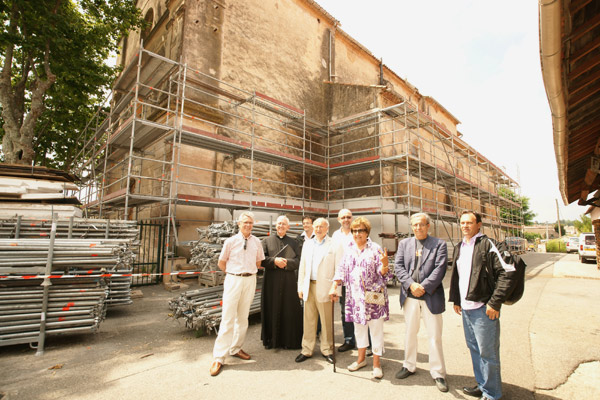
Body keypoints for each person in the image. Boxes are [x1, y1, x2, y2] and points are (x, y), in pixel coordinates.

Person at [450, 211, 512, 400]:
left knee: (488, 352)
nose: (465, 226)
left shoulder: (488, 244)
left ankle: (492, 394)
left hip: (484, 308)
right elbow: (458, 276)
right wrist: (457, 300)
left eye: (469, 222)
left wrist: (495, 302)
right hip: (467, 309)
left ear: (479, 225)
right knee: (475, 349)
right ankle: (482, 385)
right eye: (462, 223)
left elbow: (507, 272)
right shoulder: (460, 246)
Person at [329, 217, 391, 379]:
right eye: (355, 231)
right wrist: (334, 286)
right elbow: (341, 270)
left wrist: (384, 265)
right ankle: (361, 359)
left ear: (367, 232)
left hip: (373, 296)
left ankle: (377, 364)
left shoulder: (375, 248)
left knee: (376, 330)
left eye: (361, 230)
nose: (357, 234)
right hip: (354, 297)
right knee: (359, 329)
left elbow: (383, 274)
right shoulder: (349, 249)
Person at [394, 213, 449, 392]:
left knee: (434, 336)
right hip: (410, 297)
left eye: (422, 225)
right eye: (415, 225)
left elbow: (440, 269)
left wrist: (423, 287)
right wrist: (411, 285)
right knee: (410, 333)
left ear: (428, 226)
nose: (418, 228)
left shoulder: (439, 244)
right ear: (411, 227)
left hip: (430, 296)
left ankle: (438, 372)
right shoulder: (404, 244)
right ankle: (408, 365)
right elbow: (398, 266)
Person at [210, 211, 265, 377]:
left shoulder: (257, 242)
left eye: (250, 223)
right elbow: (221, 263)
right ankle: (219, 357)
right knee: (228, 318)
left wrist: (246, 273)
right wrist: (234, 274)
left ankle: (236, 348)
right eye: (245, 222)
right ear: (239, 224)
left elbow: (258, 262)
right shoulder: (231, 241)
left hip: (250, 280)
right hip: (233, 280)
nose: (248, 225)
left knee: (243, 318)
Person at [295, 218, 342, 364]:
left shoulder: (334, 244)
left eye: (321, 226)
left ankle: (327, 349)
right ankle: (307, 349)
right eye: (316, 226)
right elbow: (302, 266)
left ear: (327, 228)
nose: (318, 229)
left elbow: (339, 269)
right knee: (308, 320)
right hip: (309, 286)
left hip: (326, 288)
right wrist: (300, 287)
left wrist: (337, 290)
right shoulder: (308, 244)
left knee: (327, 321)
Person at [261, 215, 303, 349]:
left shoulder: (294, 243)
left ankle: (287, 341)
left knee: (288, 310)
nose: (281, 226)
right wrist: (274, 262)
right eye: (279, 224)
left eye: (284, 224)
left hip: (288, 282)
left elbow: (298, 261)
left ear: (288, 227)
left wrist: (285, 263)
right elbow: (261, 259)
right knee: (271, 308)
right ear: (275, 225)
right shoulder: (266, 241)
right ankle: (271, 340)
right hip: (271, 282)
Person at [330, 208, 356, 352]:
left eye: (348, 217)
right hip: (342, 280)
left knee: (362, 310)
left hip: (358, 280)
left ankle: (368, 342)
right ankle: (349, 340)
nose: (346, 219)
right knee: (345, 311)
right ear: (338, 219)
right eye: (343, 217)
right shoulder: (335, 235)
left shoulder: (358, 232)